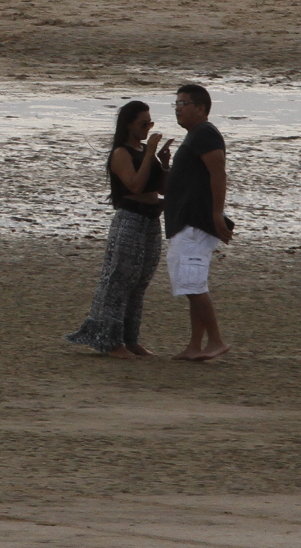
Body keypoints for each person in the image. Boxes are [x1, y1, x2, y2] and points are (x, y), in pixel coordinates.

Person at [64, 100, 171, 358]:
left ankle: (130, 338)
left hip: (151, 220)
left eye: (150, 123)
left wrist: (164, 163)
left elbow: (161, 190)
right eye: (143, 123)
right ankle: (112, 342)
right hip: (130, 220)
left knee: (139, 281)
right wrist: (149, 155)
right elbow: (134, 184)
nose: (148, 128)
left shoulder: (146, 152)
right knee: (119, 280)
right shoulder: (121, 153)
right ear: (129, 125)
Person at [165, 83, 231, 361]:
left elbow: (218, 174)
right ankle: (195, 344)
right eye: (176, 104)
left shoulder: (204, 133)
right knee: (191, 285)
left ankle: (215, 340)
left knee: (193, 285)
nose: (178, 109)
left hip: (196, 222)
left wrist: (217, 215)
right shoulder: (195, 136)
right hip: (185, 221)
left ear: (201, 108)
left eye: (184, 104)